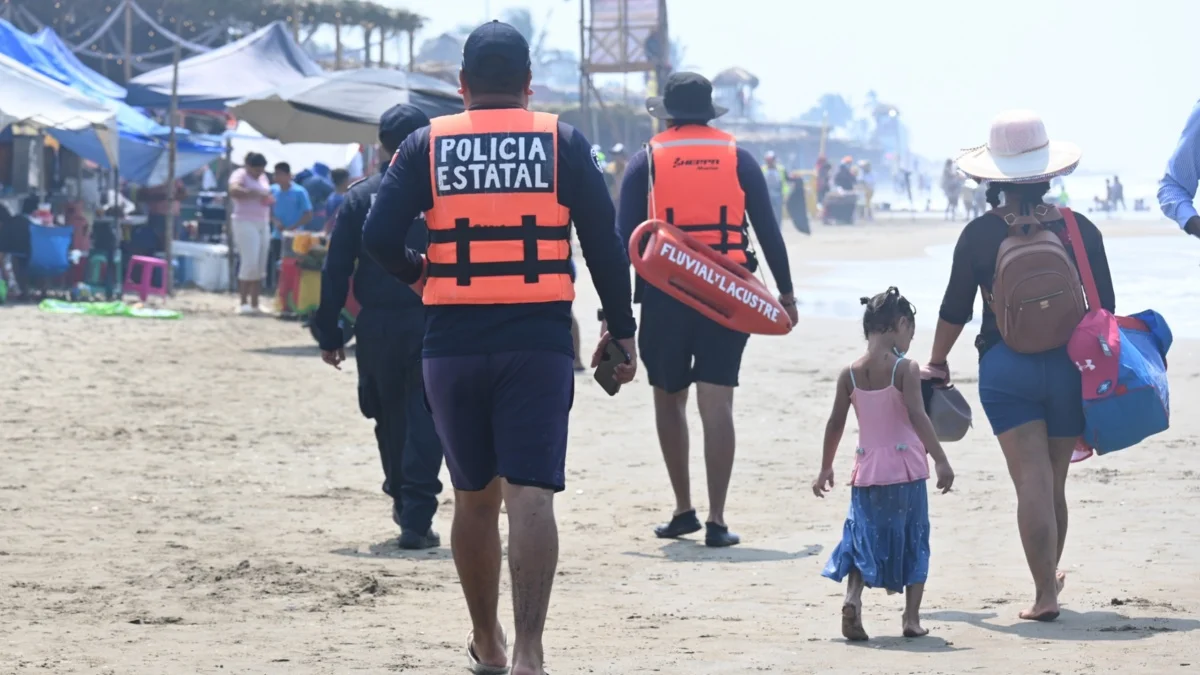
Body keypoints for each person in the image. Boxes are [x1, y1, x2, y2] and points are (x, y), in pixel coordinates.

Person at [360, 21, 637, 675]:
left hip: (450, 340)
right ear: (528, 84)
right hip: (536, 340)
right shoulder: (563, 142)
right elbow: (604, 241)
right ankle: (532, 654)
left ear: (461, 87)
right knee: (531, 497)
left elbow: (376, 234)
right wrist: (621, 331)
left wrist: (417, 272)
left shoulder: (425, 144)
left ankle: (488, 643)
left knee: (474, 498)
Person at [930, 110, 1114, 622]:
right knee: (1053, 482)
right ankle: (1047, 582)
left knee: (1028, 480)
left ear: (990, 176)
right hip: (1068, 366)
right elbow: (1104, 308)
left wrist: (937, 360)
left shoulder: (979, 236)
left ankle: (1045, 594)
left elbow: (955, 310)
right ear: (1049, 171)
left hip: (1006, 367)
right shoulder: (1080, 229)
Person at [618, 72, 798, 547]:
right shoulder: (738, 158)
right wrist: (786, 293)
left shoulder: (647, 160)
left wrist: (613, 317)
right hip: (727, 293)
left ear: (669, 113)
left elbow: (622, 241)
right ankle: (717, 520)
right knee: (717, 403)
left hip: (665, 292)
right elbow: (767, 230)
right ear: (710, 111)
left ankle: (683, 510)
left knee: (668, 397)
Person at [314, 104, 445, 550]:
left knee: (385, 413)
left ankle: (403, 497)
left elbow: (335, 271)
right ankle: (416, 511)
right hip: (435, 317)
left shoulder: (359, 196)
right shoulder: (445, 192)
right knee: (428, 416)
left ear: (382, 145)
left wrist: (329, 333)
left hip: (378, 326)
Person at [813, 287, 954, 642]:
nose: (909, 339)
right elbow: (919, 417)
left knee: (861, 538)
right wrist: (940, 459)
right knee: (914, 538)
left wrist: (826, 467)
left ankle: (852, 599)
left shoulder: (850, 372)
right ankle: (911, 618)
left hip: (867, 473)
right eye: (910, 331)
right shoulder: (904, 369)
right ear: (900, 324)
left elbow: (835, 423)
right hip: (906, 471)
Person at [227, 152, 273, 314]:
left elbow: (265, 194)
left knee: (261, 262)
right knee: (249, 260)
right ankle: (243, 302)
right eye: (255, 169)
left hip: (262, 220)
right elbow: (233, 190)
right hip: (244, 221)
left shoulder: (263, 178)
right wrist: (253, 193)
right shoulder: (240, 175)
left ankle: (255, 302)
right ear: (248, 166)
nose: (258, 172)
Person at [267, 162, 313, 289]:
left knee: (293, 264)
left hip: (295, 237)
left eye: (280, 174)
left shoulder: (299, 191)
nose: (276, 177)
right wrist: (275, 222)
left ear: (288, 175)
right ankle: (278, 288)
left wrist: (293, 227)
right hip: (277, 234)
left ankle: (293, 289)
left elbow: (308, 214)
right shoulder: (272, 190)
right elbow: (268, 210)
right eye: (275, 174)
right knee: (278, 263)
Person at [301, 163, 336, 231]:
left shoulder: (305, 180)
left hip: (306, 217)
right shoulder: (320, 181)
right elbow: (333, 191)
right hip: (318, 217)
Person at [762, 150, 787, 225]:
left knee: (778, 214)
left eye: (771, 160)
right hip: (767, 196)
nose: (770, 162)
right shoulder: (763, 169)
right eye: (768, 160)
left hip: (778, 195)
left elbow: (784, 182)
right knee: (767, 213)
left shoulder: (781, 169)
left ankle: (778, 229)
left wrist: (785, 195)